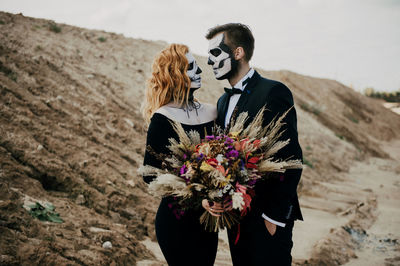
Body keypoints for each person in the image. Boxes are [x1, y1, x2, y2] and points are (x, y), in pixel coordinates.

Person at [205, 23, 303, 265]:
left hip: (266, 217)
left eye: (215, 53)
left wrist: (273, 217)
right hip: (236, 217)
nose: (209, 61)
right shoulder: (222, 102)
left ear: (238, 53)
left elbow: (290, 157)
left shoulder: (274, 91)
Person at [142, 44, 218, 266]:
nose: (200, 72)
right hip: (176, 220)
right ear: (175, 73)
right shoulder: (162, 118)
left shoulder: (213, 112)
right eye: (191, 67)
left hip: (207, 220)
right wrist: (196, 194)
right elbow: (150, 175)